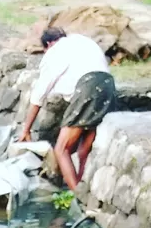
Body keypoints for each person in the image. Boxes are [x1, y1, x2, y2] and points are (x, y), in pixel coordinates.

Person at [18, 28, 117, 191]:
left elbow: (39, 94)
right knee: (84, 151)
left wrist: (26, 129)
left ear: (49, 44)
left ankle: (75, 194)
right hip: (108, 86)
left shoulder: (54, 51)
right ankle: (85, 191)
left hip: (88, 86)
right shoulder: (82, 40)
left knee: (61, 148)